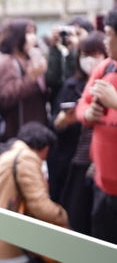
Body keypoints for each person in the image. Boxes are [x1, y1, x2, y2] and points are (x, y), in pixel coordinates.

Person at [0, 122, 69, 263]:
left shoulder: (3, 158)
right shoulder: (26, 158)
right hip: (10, 248)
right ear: (45, 148)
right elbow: (40, 206)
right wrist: (64, 216)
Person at [46, 32, 106, 232]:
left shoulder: (109, 84)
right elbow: (55, 124)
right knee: (76, 218)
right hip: (75, 161)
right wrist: (64, 121)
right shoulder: (71, 85)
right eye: (85, 54)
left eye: (97, 54)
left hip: (102, 165)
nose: (90, 60)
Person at [75, 8, 117, 244]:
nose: (104, 40)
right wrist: (88, 114)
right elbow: (83, 104)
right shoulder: (105, 67)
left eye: (109, 34)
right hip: (102, 185)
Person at [0, 18, 48, 141]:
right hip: (17, 134)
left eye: (34, 33)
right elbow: (5, 97)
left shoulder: (30, 61)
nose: (33, 37)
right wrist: (31, 78)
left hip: (36, 132)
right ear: (16, 36)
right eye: (28, 33)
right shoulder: (6, 62)